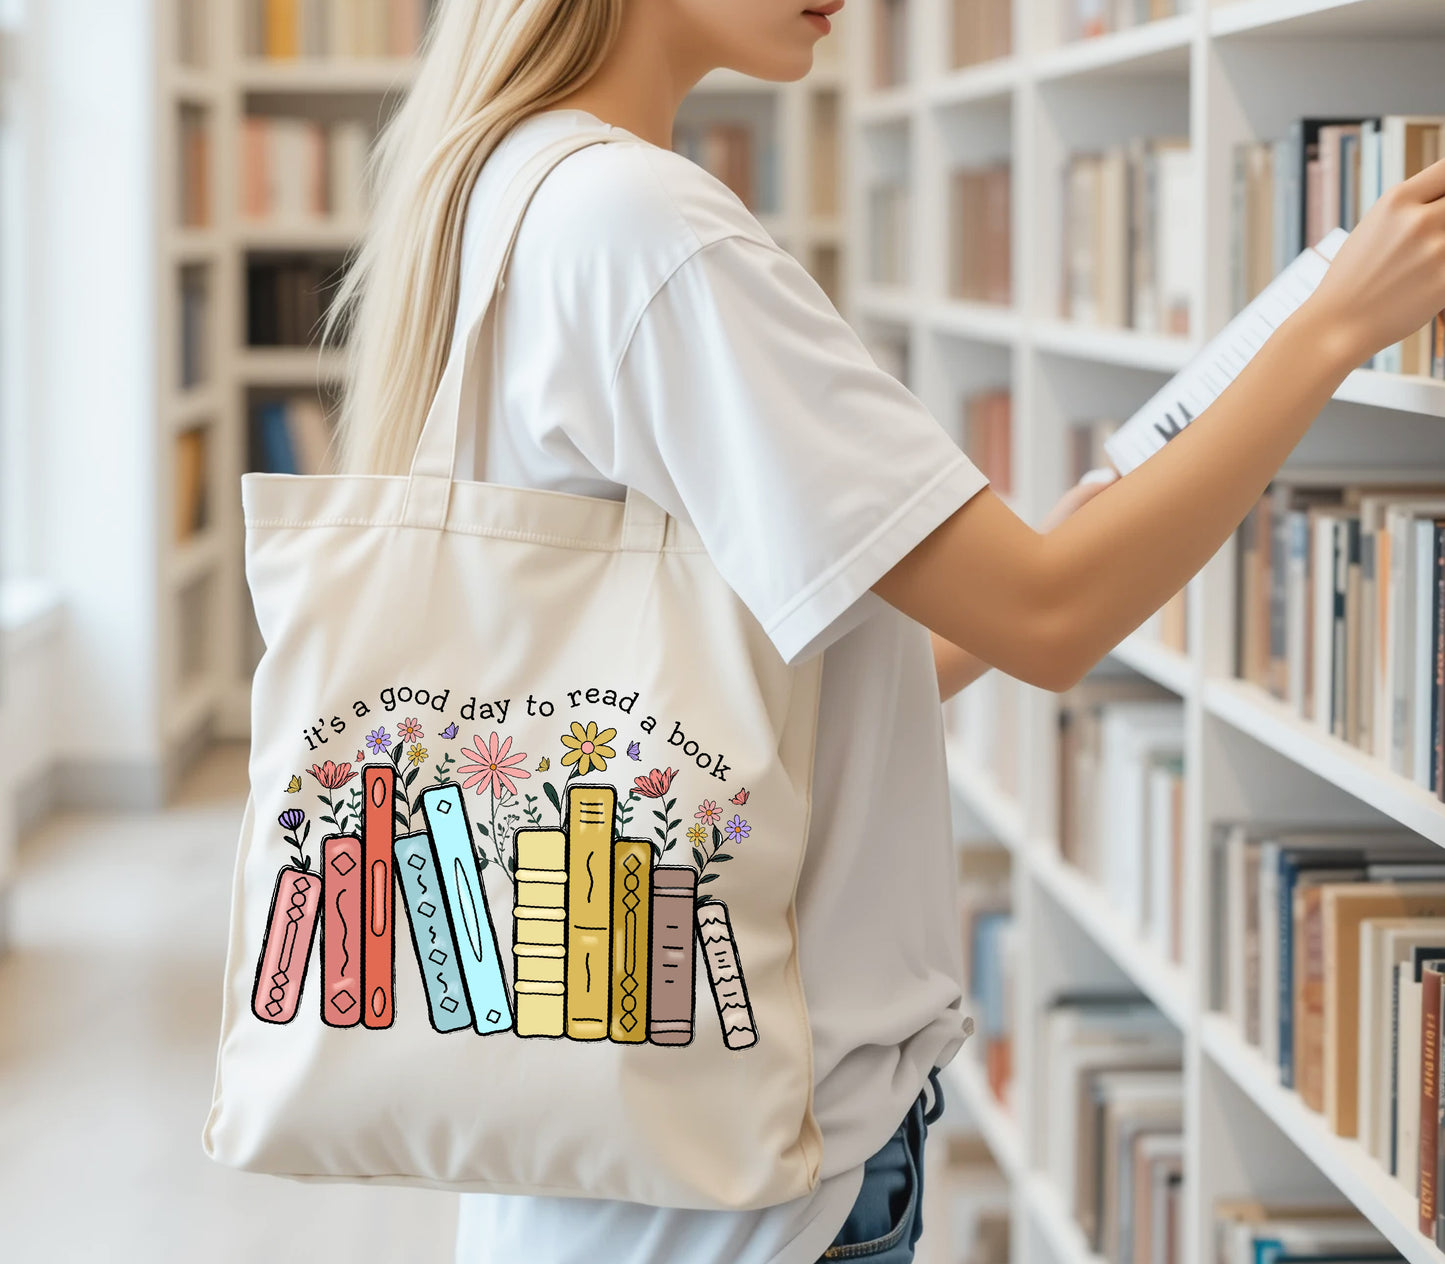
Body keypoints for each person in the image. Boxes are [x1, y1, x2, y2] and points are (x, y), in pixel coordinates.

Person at [326, 3, 1445, 1261]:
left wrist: (1046, 548)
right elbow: (1049, 614)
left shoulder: (509, 189)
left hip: (602, 1149)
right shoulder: (647, 229)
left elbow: (743, 701)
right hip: (750, 1189)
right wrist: (1335, 325)